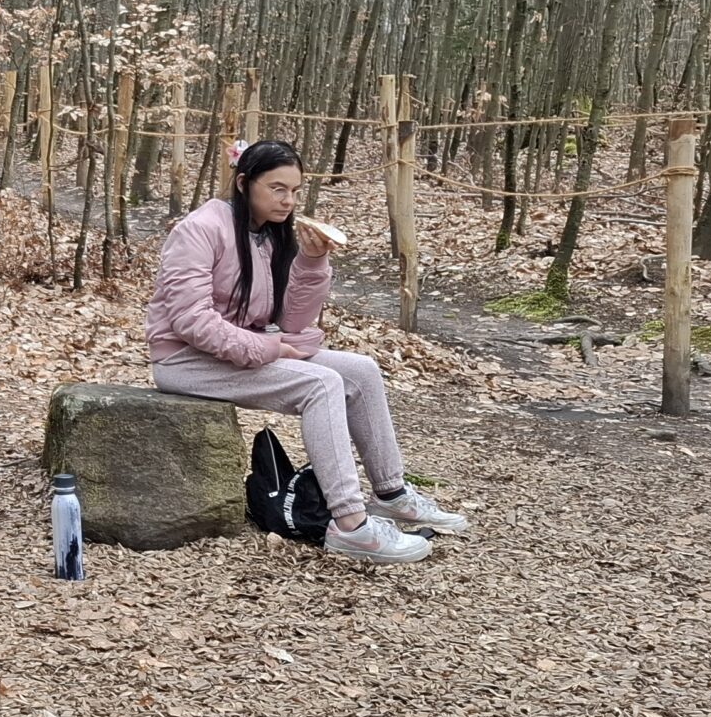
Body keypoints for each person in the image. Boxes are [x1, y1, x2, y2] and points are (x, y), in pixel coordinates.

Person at [145, 139, 470, 565]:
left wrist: (313, 262)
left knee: (361, 371)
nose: (288, 200)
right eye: (277, 188)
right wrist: (268, 347)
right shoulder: (200, 229)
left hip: (238, 349)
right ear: (243, 183)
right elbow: (191, 320)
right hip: (185, 360)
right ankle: (351, 525)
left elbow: (293, 321)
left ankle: (392, 495)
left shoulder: (268, 235)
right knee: (320, 384)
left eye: (295, 191)